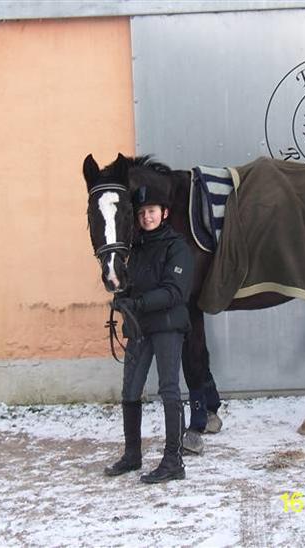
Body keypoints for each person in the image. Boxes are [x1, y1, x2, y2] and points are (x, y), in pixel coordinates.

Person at [104, 183, 194, 484]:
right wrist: (122, 296)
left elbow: (174, 291)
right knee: (130, 390)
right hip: (140, 327)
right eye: (142, 213)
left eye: (152, 211)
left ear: (164, 213)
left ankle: (173, 461)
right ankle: (132, 455)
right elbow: (134, 284)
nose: (146, 217)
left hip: (168, 326)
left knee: (169, 389)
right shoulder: (137, 248)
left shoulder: (177, 247)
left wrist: (138, 303)